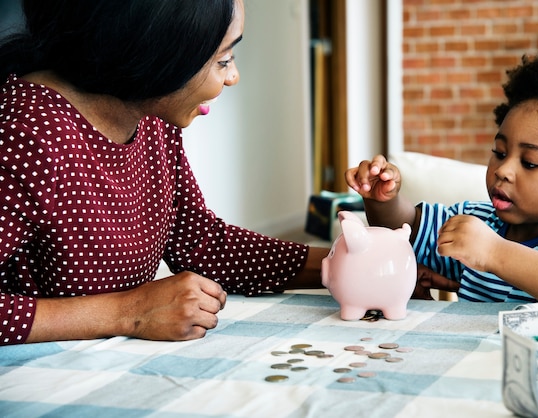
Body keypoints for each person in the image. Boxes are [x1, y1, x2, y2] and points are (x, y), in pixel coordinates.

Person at [0, 0, 329, 346]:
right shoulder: (26, 136)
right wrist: (128, 312)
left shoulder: (149, 114)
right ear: (156, 51)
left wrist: (339, 265)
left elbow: (200, 243)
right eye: (223, 60)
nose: (233, 77)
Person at [346, 46, 538, 323]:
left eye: (529, 162)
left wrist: (494, 252)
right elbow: (406, 230)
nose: (503, 170)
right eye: (499, 153)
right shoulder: (476, 221)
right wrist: (383, 199)